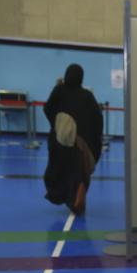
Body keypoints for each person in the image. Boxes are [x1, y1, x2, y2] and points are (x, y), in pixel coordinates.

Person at [42, 64, 103, 215]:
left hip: (60, 142)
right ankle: (78, 199)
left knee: (60, 171)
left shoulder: (59, 90)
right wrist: (90, 138)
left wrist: (57, 126)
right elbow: (97, 119)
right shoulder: (87, 96)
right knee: (80, 173)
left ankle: (66, 197)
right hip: (79, 143)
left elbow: (48, 108)